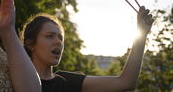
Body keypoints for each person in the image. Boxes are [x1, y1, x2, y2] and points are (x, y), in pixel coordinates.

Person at [20, 6, 154, 92]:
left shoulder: (68, 81)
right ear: (31, 44)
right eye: (50, 36)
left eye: (60, 38)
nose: (58, 42)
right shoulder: (12, 79)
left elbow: (126, 82)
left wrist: (141, 35)